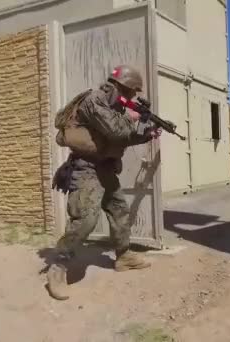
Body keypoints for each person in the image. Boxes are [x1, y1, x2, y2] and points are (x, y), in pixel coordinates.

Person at [47, 64, 162, 300]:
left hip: (105, 168)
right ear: (124, 87)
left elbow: (119, 140)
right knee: (86, 219)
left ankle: (123, 256)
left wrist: (145, 134)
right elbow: (117, 132)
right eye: (132, 93)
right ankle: (58, 268)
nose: (133, 98)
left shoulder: (113, 107)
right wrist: (133, 118)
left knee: (119, 210)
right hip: (86, 168)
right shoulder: (94, 101)